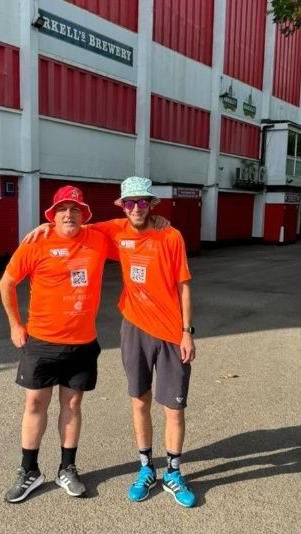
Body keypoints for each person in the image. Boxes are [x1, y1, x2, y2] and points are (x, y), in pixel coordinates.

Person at [22, 177, 195, 507]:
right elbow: (71, 226)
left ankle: (173, 471)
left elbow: (184, 286)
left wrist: (188, 331)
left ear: (152, 204)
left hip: (172, 333)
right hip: (134, 328)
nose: (136, 209)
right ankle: (146, 469)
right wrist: (42, 229)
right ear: (122, 206)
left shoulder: (170, 235)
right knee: (139, 401)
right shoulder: (112, 229)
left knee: (173, 408)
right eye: (129, 203)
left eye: (142, 202)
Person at [0, 185, 115, 503]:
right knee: (35, 404)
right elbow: (7, 283)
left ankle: (67, 468)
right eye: (62, 209)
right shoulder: (36, 243)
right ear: (52, 215)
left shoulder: (98, 239)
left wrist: (157, 221)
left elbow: (136, 230)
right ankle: (30, 471)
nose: (69, 214)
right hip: (41, 342)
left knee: (73, 405)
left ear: (84, 214)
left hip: (81, 343)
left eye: (75, 209)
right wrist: (15, 325)